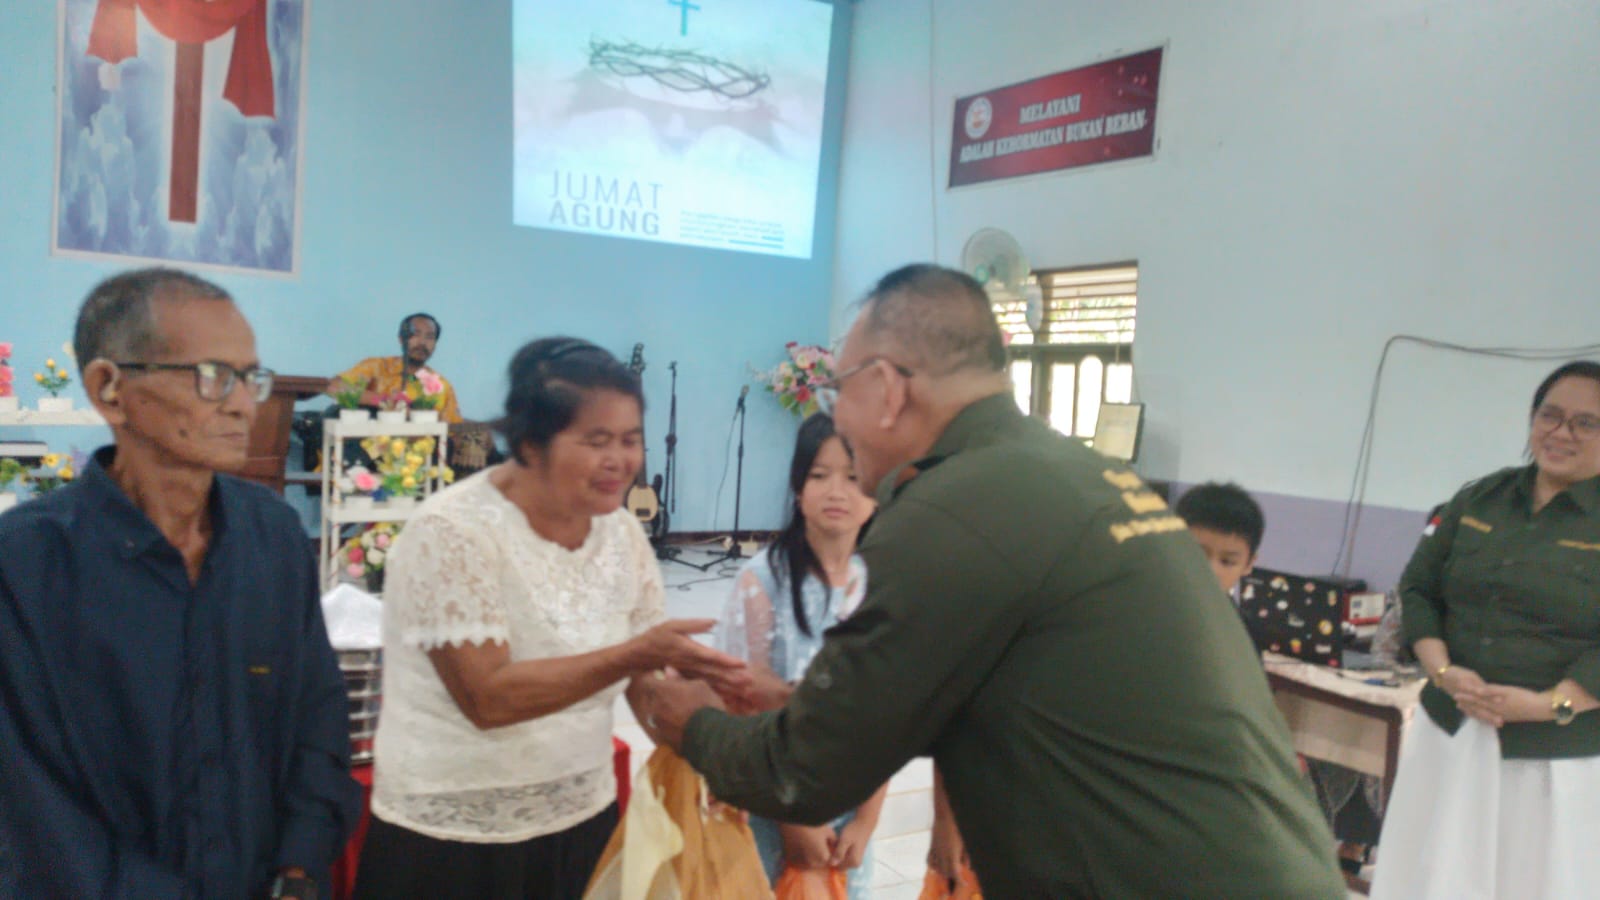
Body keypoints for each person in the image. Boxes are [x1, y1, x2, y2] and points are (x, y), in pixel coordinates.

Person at [629, 264, 1346, 899]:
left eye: (836, 392)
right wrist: (791, 698)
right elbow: (998, 698)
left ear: (884, 388)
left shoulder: (949, 507)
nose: (836, 417)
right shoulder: (1079, 473)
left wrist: (683, 718)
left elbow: (805, 774)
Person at [0, 268, 360, 898]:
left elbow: (317, 714)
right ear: (109, 389)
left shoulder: (272, 538)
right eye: (212, 376)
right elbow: (29, 804)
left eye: (251, 377)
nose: (244, 404)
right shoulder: (28, 564)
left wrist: (301, 867)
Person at [352, 337, 750, 899]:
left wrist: (720, 725)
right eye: (597, 440)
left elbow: (649, 687)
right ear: (531, 442)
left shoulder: (620, 533)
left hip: (580, 818)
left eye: (631, 440)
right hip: (452, 837)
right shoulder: (454, 530)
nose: (620, 460)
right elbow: (488, 699)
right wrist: (639, 653)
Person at [1370, 360, 1600, 900]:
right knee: (1426, 878)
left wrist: (1550, 705)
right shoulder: (1480, 499)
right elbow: (1419, 587)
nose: (1561, 432)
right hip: (1448, 731)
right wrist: (1442, 670)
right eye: (1551, 415)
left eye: (1586, 423)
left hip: (1552, 756)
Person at [717, 413, 885, 898]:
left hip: (852, 816)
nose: (837, 491)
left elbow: (887, 720)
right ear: (797, 489)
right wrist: (792, 821)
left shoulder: (883, 586)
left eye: (853, 477)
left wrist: (867, 820)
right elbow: (743, 714)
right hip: (774, 813)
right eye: (819, 475)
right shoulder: (762, 583)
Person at [328, 312, 464, 422]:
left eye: (430, 337)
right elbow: (334, 387)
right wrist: (384, 401)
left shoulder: (441, 386)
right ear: (401, 339)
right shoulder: (376, 367)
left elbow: (452, 432)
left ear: (435, 344)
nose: (422, 343)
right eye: (416, 334)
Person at [1174, 480, 1263, 596]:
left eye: (1227, 562)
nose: (1210, 571)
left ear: (1249, 564)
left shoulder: (1230, 614)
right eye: (1197, 555)